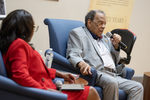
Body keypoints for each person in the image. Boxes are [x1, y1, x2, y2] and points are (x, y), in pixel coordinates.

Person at [0, 9, 100, 100]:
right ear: (24, 29)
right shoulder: (18, 44)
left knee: (85, 89)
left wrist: (58, 73)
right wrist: (47, 91)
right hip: (44, 91)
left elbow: (34, 70)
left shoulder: (11, 44)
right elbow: (20, 76)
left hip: (47, 85)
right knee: (91, 91)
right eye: (33, 27)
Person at [66, 10, 143, 100]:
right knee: (112, 82)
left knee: (138, 87)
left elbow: (116, 61)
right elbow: (73, 54)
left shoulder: (105, 38)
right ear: (89, 22)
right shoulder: (77, 33)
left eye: (105, 23)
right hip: (97, 73)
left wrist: (116, 46)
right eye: (100, 23)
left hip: (113, 74)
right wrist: (82, 63)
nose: (103, 26)